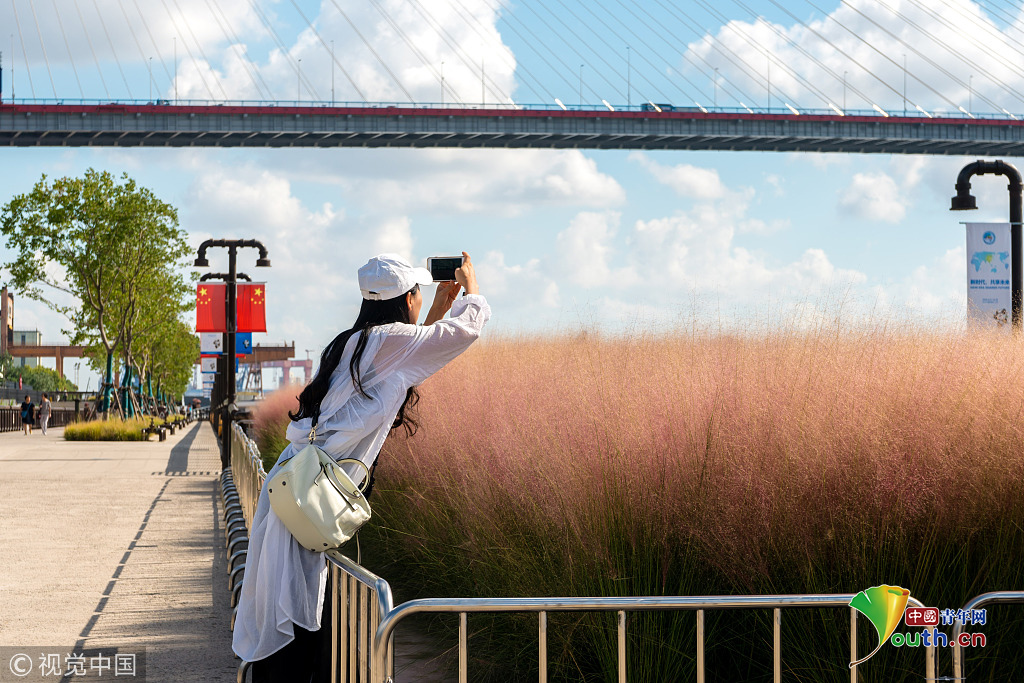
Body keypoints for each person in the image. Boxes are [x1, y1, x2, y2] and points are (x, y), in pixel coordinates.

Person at [232, 252, 490, 682]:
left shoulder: (349, 343)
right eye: (417, 293)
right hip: (316, 499)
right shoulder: (388, 342)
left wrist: (437, 310)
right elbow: (464, 331)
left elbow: (403, 366)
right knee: (304, 623)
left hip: (298, 486)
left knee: (300, 606)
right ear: (406, 299)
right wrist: (472, 288)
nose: (419, 299)